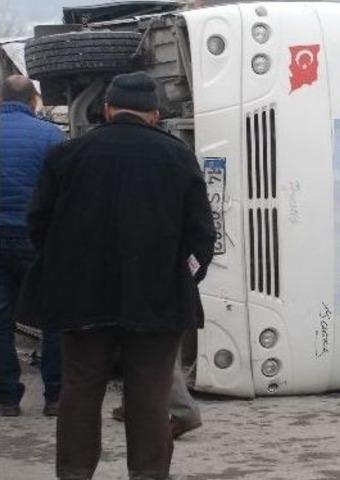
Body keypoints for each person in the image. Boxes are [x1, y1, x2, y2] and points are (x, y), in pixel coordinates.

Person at [17, 71, 215, 480]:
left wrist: (66, 269)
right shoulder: (178, 157)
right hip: (157, 299)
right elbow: (201, 237)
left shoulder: (67, 155)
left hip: (81, 298)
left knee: (80, 389)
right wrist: (183, 278)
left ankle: (74, 474)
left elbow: (38, 225)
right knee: (150, 395)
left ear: (107, 109)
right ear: (155, 114)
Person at [0, 75, 65, 417]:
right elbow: (64, 191)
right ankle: (55, 396)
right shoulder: (51, 136)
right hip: (38, 238)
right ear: (33, 101)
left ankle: (7, 398)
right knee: (54, 315)